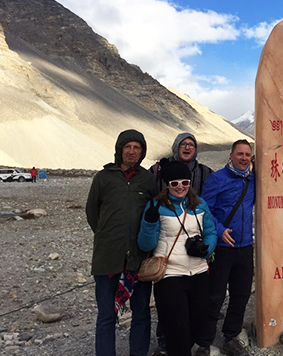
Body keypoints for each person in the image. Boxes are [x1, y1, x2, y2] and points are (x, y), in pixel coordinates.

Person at [85, 129, 157, 356]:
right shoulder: (103, 178)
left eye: (137, 148)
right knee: (106, 315)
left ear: (142, 152)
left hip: (138, 257)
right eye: (128, 147)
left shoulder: (147, 179)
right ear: (120, 149)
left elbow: (154, 213)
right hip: (108, 257)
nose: (132, 151)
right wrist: (108, 234)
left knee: (141, 312)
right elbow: (92, 213)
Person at [138, 161, 218, 356]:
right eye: (175, 183)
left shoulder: (199, 204)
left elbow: (210, 231)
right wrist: (149, 222)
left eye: (184, 182)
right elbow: (145, 245)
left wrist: (206, 250)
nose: (180, 186)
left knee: (198, 323)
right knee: (177, 328)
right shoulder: (156, 206)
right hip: (170, 275)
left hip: (198, 272)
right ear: (167, 185)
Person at [196, 139, 255, 356]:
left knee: (241, 294)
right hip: (222, 248)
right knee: (215, 296)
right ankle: (204, 341)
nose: (243, 158)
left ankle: (231, 336)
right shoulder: (217, 179)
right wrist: (220, 230)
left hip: (246, 246)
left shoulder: (253, 179)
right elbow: (204, 209)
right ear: (231, 156)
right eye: (239, 154)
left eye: (247, 155)